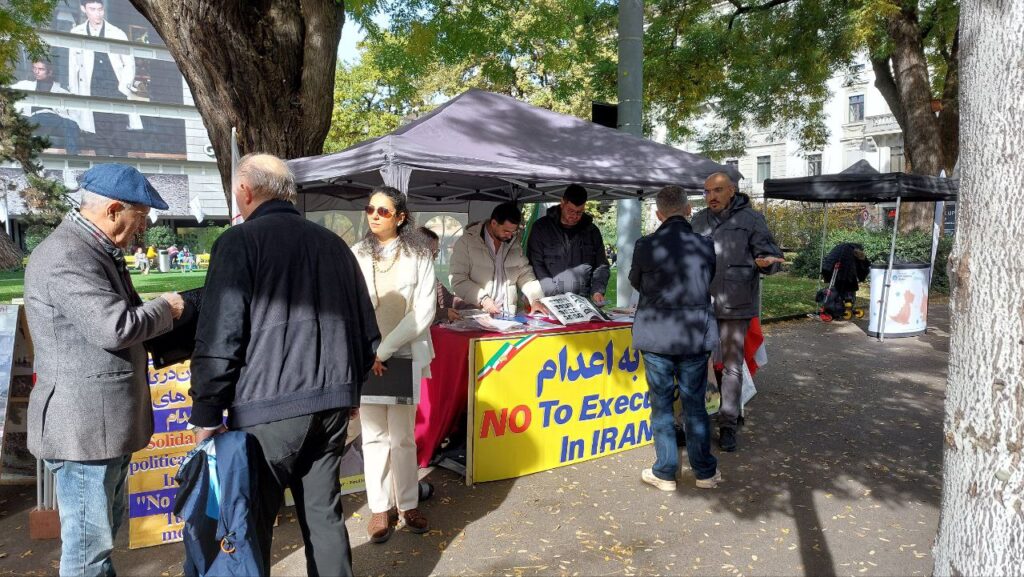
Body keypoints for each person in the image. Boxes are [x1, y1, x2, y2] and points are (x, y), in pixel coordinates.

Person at [189, 153, 379, 576]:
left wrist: (206, 411)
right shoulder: (334, 246)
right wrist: (349, 392)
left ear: (245, 191)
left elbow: (221, 335)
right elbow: (368, 332)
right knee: (323, 515)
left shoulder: (237, 242)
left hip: (267, 411)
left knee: (249, 525)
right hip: (329, 403)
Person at [24, 164, 185, 576]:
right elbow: (115, 327)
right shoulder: (67, 256)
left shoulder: (93, 249)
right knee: (87, 550)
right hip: (83, 433)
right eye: (141, 218)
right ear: (115, 209)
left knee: (99, 539)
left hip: (101, 429)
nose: (142, 229)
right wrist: (167, 307)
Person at [352, 187, 436, 543]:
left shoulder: (419, 256)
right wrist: (369, 352)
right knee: (372, 438)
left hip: (401, 356)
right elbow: (349, 308)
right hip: (367, 357)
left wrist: (383, 350)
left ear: (400, 217)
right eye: (371, 208)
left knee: (402, 438)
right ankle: (379, 509)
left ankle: (408, 504)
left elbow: (424, 312)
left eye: (383, 211)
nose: (374, 215)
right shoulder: (356, 254)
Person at [631, 185, 720, 491]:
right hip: (694, 334)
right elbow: (709, 277)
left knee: (662, 404)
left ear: (658, 214)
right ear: (688, 210)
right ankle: (705, 472)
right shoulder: (705, 245)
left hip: (656, 336)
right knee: (695, 404)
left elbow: (636, 281)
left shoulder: (645, 245)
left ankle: (666, 472)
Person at [691, 172, 784, 452]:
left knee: (732, 366)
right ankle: (696, 419)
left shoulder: (751, 219)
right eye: (707, 192)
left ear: (732, 190)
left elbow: (771, 256)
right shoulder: (698, 220)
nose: (711, 197)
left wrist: (768, 263)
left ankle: (729, 422)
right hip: (700, 303)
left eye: (717, 190)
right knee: (696, 364)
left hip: (736, 302)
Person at [68, 0, 142, 155]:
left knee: (119, 137)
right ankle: (104, 172)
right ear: (84, 9)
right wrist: (75, 96)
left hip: (115, 90)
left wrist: (123, 88)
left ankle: (121, 172)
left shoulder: (117, 33)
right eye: (93, 9)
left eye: (100, 9)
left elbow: (130, 63)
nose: (97, 13)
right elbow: (73, 67)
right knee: (98, 136)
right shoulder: (76, 34)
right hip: (91, 90)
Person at [450, 202, 546, 316]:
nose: (510, 236)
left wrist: (536, 299)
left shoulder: (513, 243)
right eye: (506, 231)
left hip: (508, 316)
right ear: (494, 223)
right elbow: (458, 279)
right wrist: (483, 299)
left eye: (513, 231)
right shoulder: (466, 242)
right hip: (476, 316)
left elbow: (525, 274)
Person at [527, 184, 611, 305]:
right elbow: (536, 263)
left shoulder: (591, 231)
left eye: (579, 212)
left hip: (583, 301)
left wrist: (598, 291)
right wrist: (551, 292)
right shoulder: (541, 228)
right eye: (570, 211)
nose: (574, 216)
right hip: (548, 300)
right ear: (562, 203)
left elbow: (601, 265)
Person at [11, 60, 82, 154]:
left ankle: (73, 160)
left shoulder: (62, 92)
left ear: (50, 72)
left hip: (55, 120)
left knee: (71, 124)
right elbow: (6, 90)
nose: (36, 72)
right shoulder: (24, 85)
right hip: (34, 118)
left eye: (41, 69)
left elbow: (74, 114)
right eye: (34, 68)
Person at [420, 227, 466, 324]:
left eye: (437, 252)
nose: (436, 257)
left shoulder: (428, 274)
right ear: (420, 251)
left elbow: (445, 297)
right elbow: (415, 312)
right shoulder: (406, 275)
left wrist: (472, 307)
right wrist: (444, 313)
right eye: (434, 252)